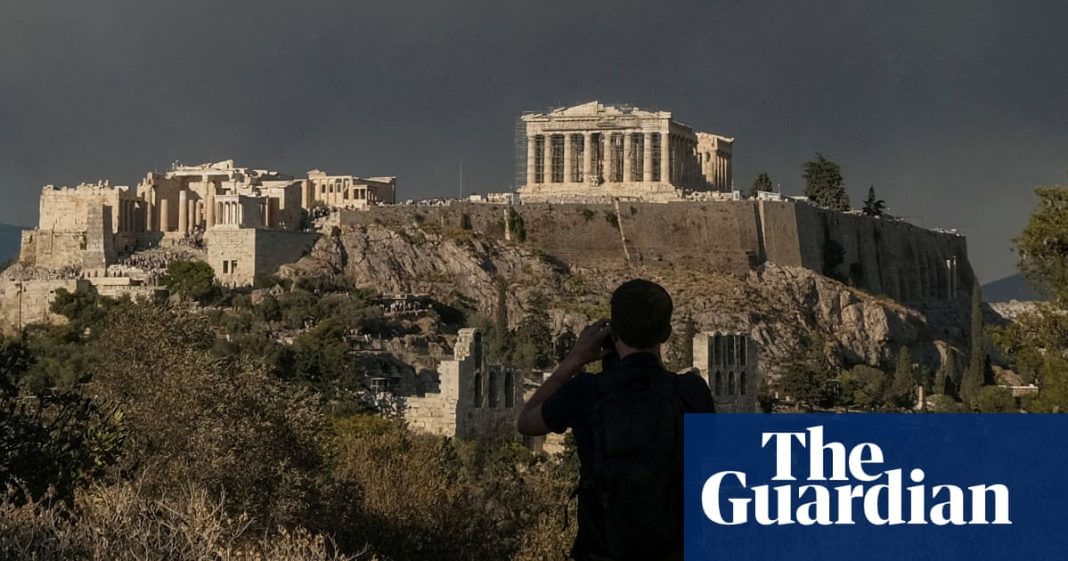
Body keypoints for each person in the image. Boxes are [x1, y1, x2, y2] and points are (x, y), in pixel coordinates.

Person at [517, 279, 714, 561]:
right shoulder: (692, 392)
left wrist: (574, 359)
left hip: (602, 550)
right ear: (667, 333)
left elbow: (526, 421)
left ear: (614, 333)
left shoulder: (586, 391)